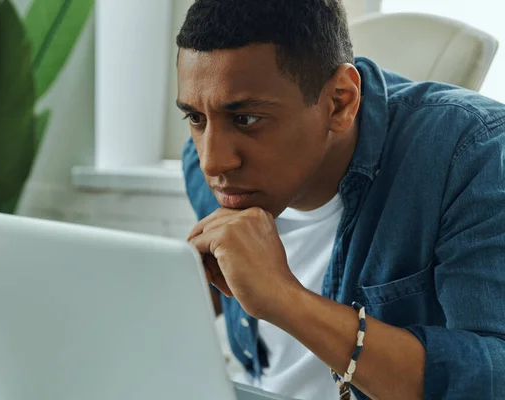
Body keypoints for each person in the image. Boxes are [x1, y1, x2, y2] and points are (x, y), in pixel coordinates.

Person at [176, 0, 505, 399]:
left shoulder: (474, 152)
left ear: (340, 102)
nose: (213, 161)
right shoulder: (204, 159)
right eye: (194, 117)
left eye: (246, 119)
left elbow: (493, 376)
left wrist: (285, 300)